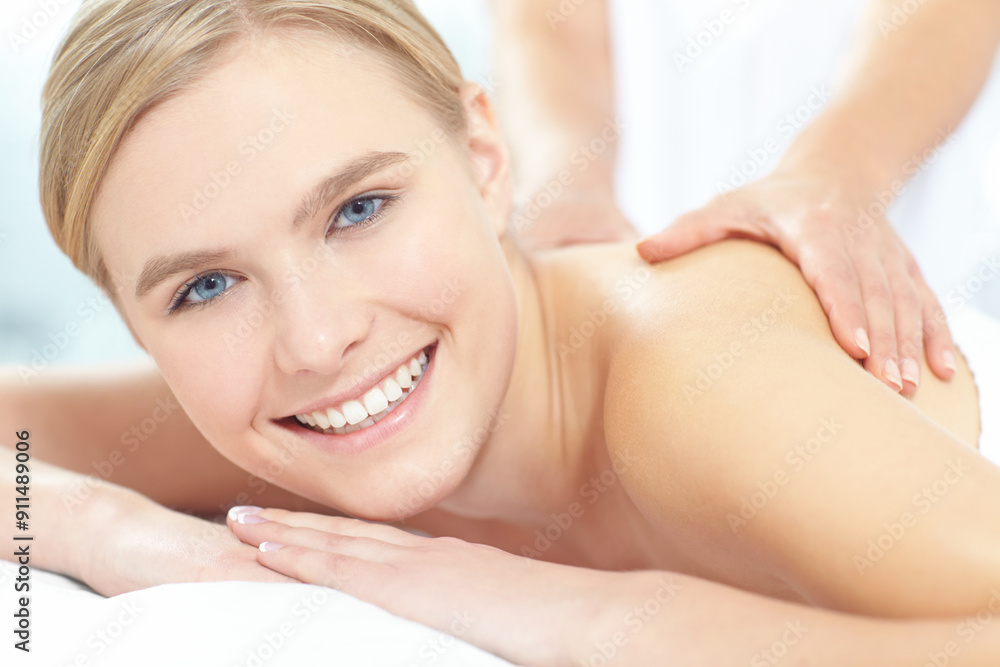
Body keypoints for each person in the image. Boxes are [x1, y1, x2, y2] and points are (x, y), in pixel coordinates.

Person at [3, 0, 1000, 663]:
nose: (314, 340)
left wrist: (567, 610)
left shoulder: (688, 380)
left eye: (359, 210)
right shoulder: (302, 416)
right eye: (207, 287)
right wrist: (117, 531)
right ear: (136, 326)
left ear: (485, 158)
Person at [489, 0, 1000, 395]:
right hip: (638, 262)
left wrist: (838, 174)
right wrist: (567, 184)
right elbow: (552, 26)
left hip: (881, 240)